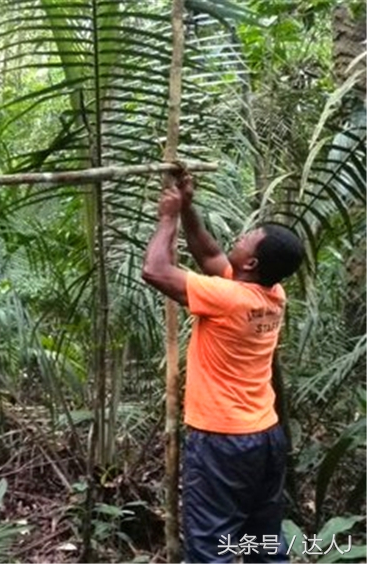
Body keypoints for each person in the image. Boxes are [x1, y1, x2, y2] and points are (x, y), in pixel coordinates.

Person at [142, 170, 304, 563]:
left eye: (244, 239)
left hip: (222, 442)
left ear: (249, 262)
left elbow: (155, 270)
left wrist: (167, 216)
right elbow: (210, 256)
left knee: (209, 547)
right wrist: (188, 208)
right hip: (264, 436)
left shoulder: (229, 299)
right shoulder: (271, 293)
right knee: (263, 539)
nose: (237, 239)